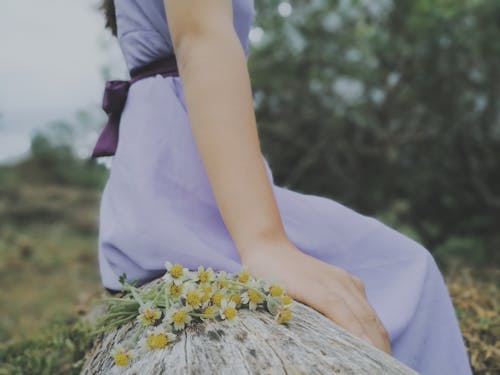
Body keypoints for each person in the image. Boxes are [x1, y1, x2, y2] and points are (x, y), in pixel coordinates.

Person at [94, 1, 472, 373]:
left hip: (166, 170)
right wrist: (265, 242)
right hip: (182, 181)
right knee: (408, 269)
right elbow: (200, 37)